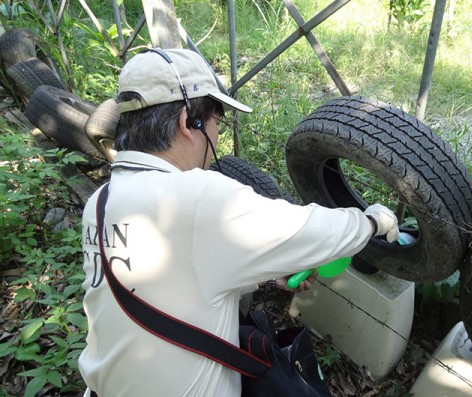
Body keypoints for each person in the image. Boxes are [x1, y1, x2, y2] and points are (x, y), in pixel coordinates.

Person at [79, 48, 400, 397]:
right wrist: (371, 221)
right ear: (190, 123)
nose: (217, 138)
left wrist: (261, 272)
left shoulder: (101, 201)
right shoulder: (197, 196)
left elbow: (177, 275)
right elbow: (318, 232)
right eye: (218, 124)